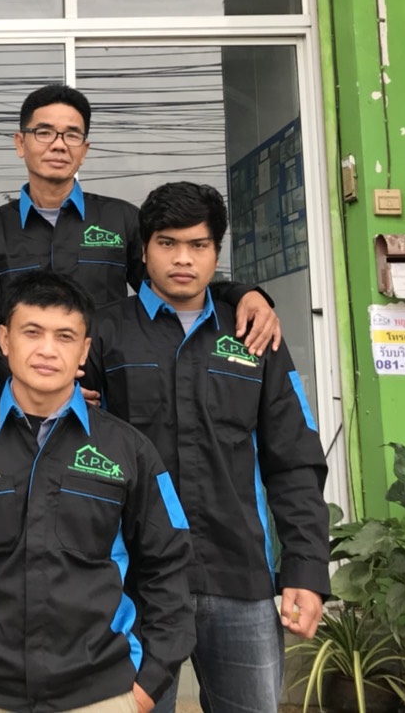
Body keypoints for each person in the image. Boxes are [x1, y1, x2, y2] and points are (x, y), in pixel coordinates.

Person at [0, 269, 195, 713]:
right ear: (4, 340)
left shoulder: (127, 449)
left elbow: (168, 564)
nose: (46, 349)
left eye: (64, 336)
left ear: (84, 351)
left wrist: (148, 685)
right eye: (32, 332)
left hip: (103, 695)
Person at [86, 181, 330, 713]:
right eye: (168, 243)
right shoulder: (103, 335)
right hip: (132, 584)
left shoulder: (254, 336)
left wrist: (306, 570)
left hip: (237, 577)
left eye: (198, 245)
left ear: (217, 253)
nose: (183, 259)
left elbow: (294, 462)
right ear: (144, 250)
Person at [0, 83, 281, 382]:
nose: (58, 145)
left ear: (84, 149)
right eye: (44, 132)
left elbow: (173, 287)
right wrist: (44, 379)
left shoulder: (121, 220)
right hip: (23, 396)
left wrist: (242, 294)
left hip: (110, 391)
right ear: (20, 143)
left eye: (72, 135)